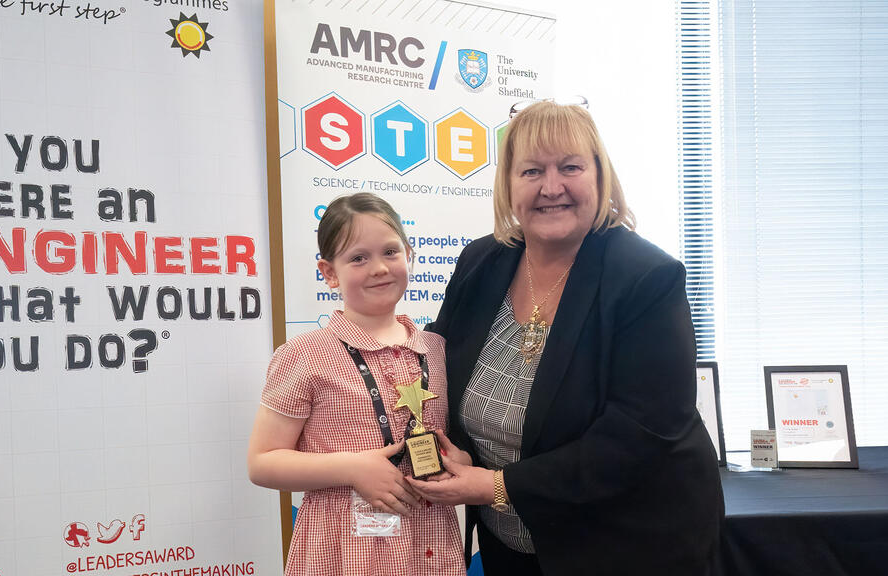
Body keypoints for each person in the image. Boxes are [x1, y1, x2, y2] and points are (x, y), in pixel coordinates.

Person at [407, 101, 724, 575]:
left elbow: (640, 434)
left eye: (570, 167)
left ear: (599, 175)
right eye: (532, 170)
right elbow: (440, 366)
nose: (551, 187)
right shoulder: (481, 262)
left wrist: (497, 486)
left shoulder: (646, 278)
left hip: (626, 545)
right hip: (509, 545)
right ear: (508, 185)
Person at [247, 193, 465, 576]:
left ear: (409, 255)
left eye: (391, 252)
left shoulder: (437, 348)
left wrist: (458, 462)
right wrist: (353, 468)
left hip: (430, 545)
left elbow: (453, 440)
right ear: (329, 272)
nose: (379, 268)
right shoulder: (304, 354)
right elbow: (262, 463)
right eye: (358, 258)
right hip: (344, 550)